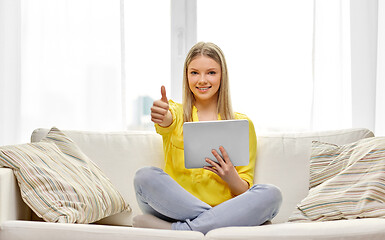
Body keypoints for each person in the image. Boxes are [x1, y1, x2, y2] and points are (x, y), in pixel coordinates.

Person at [133, 42, 282, 234]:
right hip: (174, 210)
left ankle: (182, 230)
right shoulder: (175, 113)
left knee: (271, 195)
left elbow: (244, 191)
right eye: (194, 73)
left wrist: (230, 177)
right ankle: (215, 222)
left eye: (211, 72)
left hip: (222, 208)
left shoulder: (242, 123)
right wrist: (162, 116)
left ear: (222, 76)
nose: (202, 80)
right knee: (144, 176)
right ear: (186, 76)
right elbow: (166, 121)